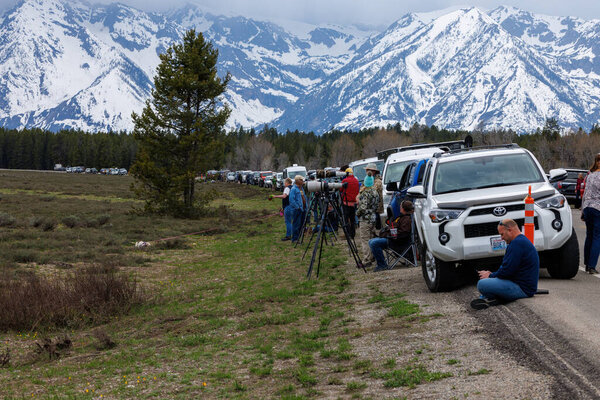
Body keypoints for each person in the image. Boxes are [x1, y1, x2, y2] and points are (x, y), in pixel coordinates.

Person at [471, 219, 539, 310]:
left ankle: (491, 298)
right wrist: (493, 275)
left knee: (482, 284)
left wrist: (490, 275)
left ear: (510, 230)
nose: (501, 238)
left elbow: (507, 271)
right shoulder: (520, 241)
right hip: (525, 287)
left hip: (522, 289)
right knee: (489, 283)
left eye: (502, 234)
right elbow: (508, 270)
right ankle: (491, 297)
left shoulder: (516, 244)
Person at [369, 200, 414, 272]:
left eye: (401, 207)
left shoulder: (407, 219)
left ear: (403, 208)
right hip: (394, 239)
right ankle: (381, 262)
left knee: (374, 243)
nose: (400, 208)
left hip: (397, 242)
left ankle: (382, 265)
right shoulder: (402, 217)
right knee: (371, 241)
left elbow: (403, 233)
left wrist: (388, 235)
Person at [356, 170, 380, 266]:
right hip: (373, 217)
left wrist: (357, 213)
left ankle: (366, 259)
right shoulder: (375, 192)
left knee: (365, 239)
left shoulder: (365, 193)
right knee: (371, 238)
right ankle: (372, 256)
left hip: (365, 219)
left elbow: (363, 207)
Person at [582, 154, 600, 274]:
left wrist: (583, 209)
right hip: (598, 207)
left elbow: (584, 193)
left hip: (587, 207)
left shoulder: (590, 175)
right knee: (597, 237)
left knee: (589, 235)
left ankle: (587, 264)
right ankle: (592, 266)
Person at [340, 167, 359, 239]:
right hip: (354, 203)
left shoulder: (345, 180)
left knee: (346, 219)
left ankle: (348, 233)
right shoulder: (356, 181)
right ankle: (353, 233)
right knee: (352, 219)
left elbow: (341, 189)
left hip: (346, 202)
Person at [288, 175, 307, 243]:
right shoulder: (294, 189)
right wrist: (297, 207)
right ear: (297, 181)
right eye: (301, 180)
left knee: (301, 224)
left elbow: (304, 197)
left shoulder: (301, 188)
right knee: (296, 224)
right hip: (297, 210)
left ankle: (300, 237)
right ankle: (295, 238)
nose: (302, 181)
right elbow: (291, 200)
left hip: (303, 209)